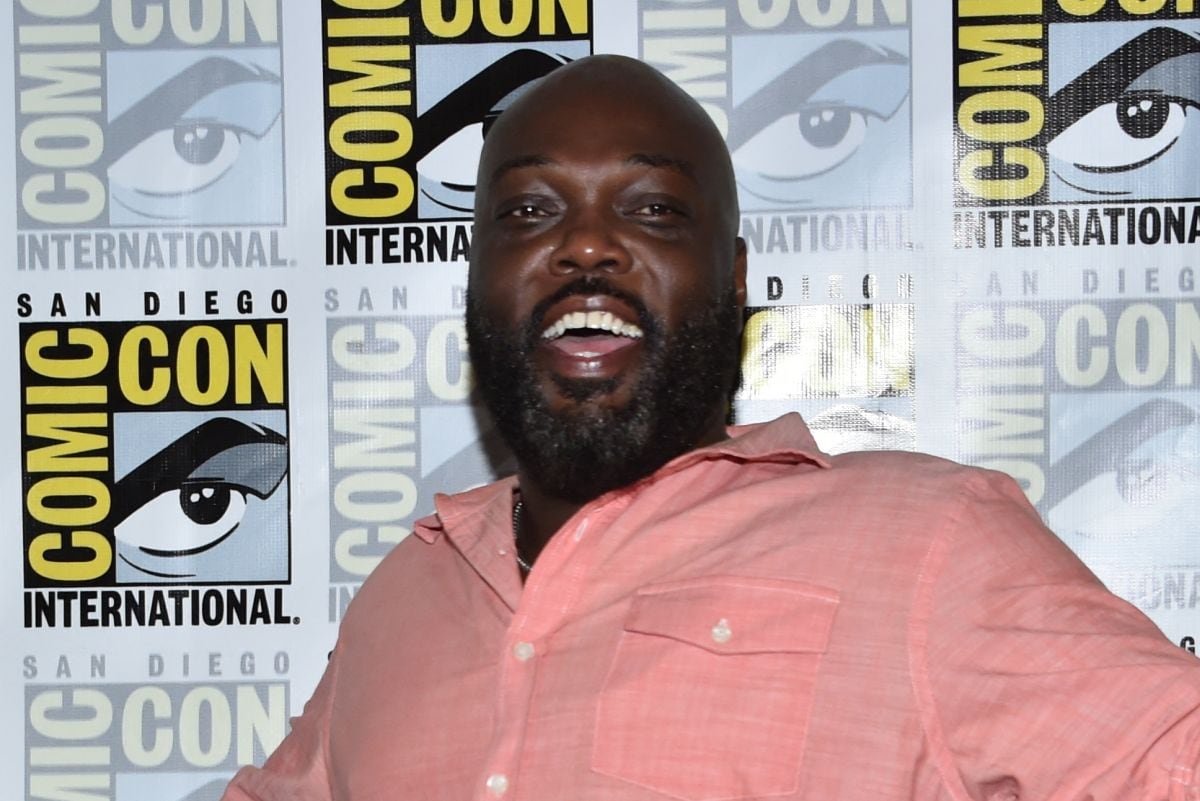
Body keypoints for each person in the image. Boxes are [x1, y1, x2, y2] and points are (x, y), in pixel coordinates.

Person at [222, 55, 1200, 801]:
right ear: (477, 280)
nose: (587, 242)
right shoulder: (406, 593)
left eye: (651, 209)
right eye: (528, 209)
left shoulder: (929, 544)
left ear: (733, 283)